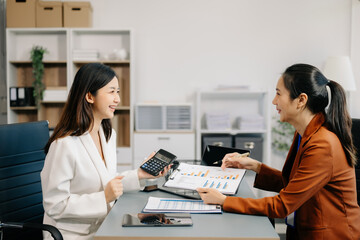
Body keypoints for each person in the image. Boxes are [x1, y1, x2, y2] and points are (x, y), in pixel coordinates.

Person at [197, 63, 360, 239]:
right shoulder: (305, 133)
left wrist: (224, 201)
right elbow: (293, 185)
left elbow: (282, 205)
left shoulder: (323, 144)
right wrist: (255, 166)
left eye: (279, 94)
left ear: (301, 100)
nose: (274, 101)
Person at [41, 63, 170, 240]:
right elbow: (54, 205)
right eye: (111, 92)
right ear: (89, 96)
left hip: (104, 227)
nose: (117, 99)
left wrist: (139, 174)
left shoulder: (107, 135)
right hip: (72, 235)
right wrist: (104, 198)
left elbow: (106, 181)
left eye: (117, 92)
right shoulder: (64, 145)